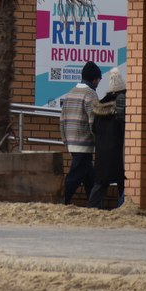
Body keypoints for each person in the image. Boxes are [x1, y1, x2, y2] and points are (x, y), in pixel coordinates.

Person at [60, 61, 102, 205]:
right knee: (75, 175)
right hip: (84, 142)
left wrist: (65, 139)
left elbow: (62, 119)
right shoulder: (90, 94)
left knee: (89, 175)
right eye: (98, 80)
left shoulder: (70, 92)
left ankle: (94, 204)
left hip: (71, 141)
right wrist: (99, 139)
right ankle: (62, 200)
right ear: (95, 79)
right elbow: (93, 120)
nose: (98, 83)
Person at [88, 67, 127, 209]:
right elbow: (125, 127)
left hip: (102, 153)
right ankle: (123, 208)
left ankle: (91, 209)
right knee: (125, 183)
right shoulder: (122, 104)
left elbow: (94, 129)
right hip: (119, 152)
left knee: (101, 183)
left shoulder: (101, 106)